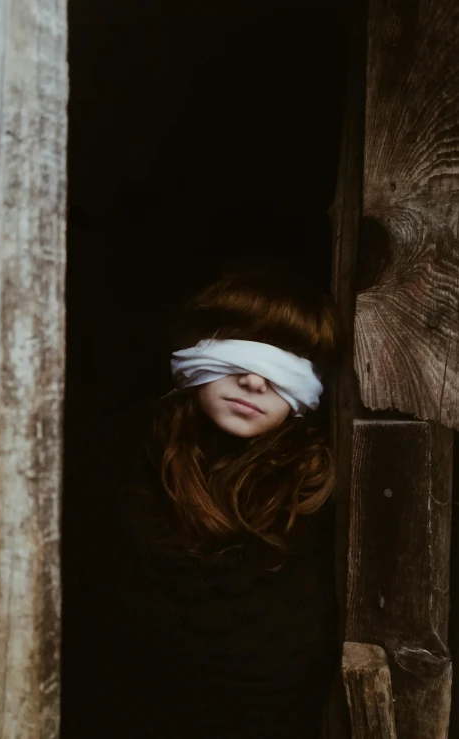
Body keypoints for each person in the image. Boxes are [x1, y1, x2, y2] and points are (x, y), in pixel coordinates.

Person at [72, 265, 346, 739]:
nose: (257, 381)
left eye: (289, 358)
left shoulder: (317, 489)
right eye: (240, 342)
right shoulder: (120, 455)